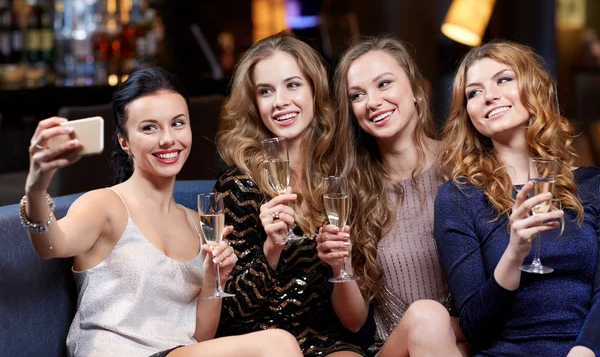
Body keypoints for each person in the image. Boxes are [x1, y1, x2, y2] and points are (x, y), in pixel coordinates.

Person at [22, 67, 302, 357]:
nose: (168, 139)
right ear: (124, 142)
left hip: (175, 352)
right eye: (149, 127)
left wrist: (213, 279)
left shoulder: (200, 223)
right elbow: (51, 244)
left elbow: (200, 338)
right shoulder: (104, 205)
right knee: (277, 344)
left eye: (178, 123)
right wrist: (36, 186)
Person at [434, 40, 600, 356]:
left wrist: (585, 350)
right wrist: (515, 252)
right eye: (474, 92)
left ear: (533, 87)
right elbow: (473, 326)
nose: (489, 96)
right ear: (468, 113)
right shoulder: (458, 198)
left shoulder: (593, 185)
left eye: (503, 79)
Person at [213, 32, 365, 357]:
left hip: (323, 340)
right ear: (255, 104)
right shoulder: (239, 186)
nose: (280, 101)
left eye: (292, 85)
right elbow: (230, 313)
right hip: (259, 344)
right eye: (266, 91)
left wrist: (340, 266)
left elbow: (354, 323)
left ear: (314, 90)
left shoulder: (336, 180)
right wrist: (271, 249)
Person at [316, 35, 467, 357]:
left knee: (431, 320)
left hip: (469, 345)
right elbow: (354, 321)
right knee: (427, 318)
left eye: (384, 84)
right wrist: (339, 266)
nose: (372, 101)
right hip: (392, 350)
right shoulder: (350, 190)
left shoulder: (464, 168)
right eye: (357, 95)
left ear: (416, 90)